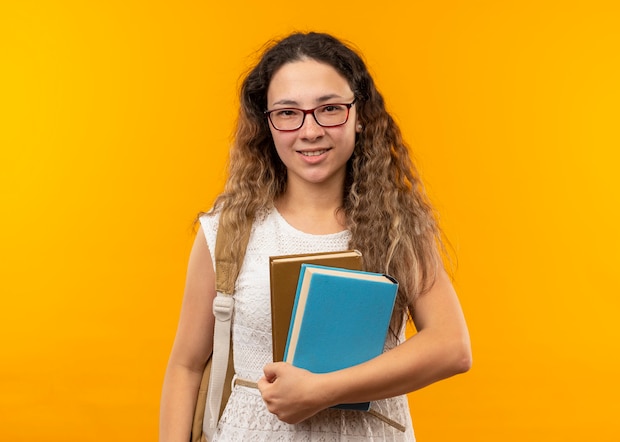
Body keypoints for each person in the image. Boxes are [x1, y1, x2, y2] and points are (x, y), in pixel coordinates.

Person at [160, 31, 471, 441]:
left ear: (360, 117)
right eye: (288, 113)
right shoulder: (227, 230)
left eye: (330, 109)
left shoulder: (396, 227)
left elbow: (451, 347)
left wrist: (321, 391)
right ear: (266, 123)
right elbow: (185, 366)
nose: (309, 131)